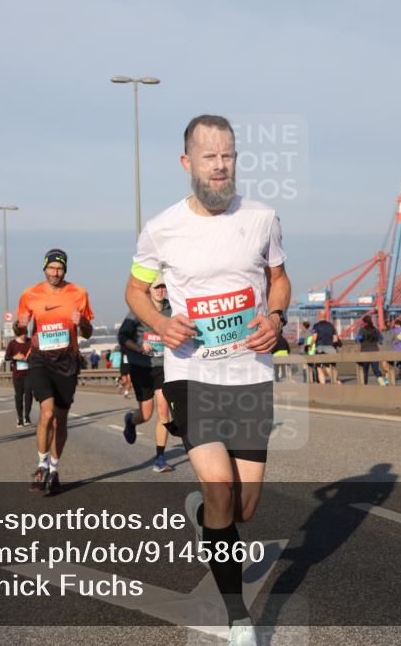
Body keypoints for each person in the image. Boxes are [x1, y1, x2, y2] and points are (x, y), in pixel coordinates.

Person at [125, 114, 290, 646]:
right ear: (187, 163)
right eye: (209, 157)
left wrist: (276, 318)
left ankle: (205, 516)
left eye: (228, 156)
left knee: (243, 508)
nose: (220, 167)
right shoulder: (161, 229)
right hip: (192, 374)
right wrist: (161, 323)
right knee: (221, 490)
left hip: (249, 375)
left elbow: (278, 280)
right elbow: (134, 290)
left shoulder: (263, 218)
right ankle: (238, 617)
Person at [16, 249, 94, 495]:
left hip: (67, 362)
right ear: (44, 268)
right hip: (40, 360)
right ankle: (41, 466)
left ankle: (54, 468)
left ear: (65, 270)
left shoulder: (79, 294)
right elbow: (18, 325)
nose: (55, 272)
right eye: (51, 268)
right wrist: (19, 323)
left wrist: (80, 321)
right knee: (47, 412)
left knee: (61, 420)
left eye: (59, 268)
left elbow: (88, 331)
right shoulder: (30, 294)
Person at [119, 277, 176, 473]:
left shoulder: (172, 308)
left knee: (163, 410)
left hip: (163, 367)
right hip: (141, 367)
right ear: (149, 290)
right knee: (145, 414)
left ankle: (160, 458)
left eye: (163, 287)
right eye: (157, 287)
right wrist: (138, 347)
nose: (161, 290)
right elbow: (122, 337)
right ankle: (130, 421)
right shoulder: (139, 310)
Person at [6, 322, 34, 427]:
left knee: (29, 393)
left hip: (29, 373)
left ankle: (27, 416)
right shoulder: (12, 344)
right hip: (17, 374)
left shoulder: (31, 342)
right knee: (19, 396)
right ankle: (20, 417)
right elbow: (6, 357)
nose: (24, 336)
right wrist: (15, 357)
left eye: (25, 333)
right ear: (17, 333)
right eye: (22, 334)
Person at [355, 315, 388, 386]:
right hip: (374, 351)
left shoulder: (362, 330)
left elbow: (358, 339)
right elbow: (380, 339)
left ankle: (365, 385)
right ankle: (383, 383)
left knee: (365, 371)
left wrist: (358, 338)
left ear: (364, 322)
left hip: (365, 352)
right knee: (376, 370)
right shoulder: (375, 329)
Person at [311, 310, 339, 384]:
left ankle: (323, 385)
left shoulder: (316, 326)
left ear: (318, 316)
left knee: (319, 368)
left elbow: (314, 338)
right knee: (329, 367)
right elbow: (335, 339)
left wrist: (310, 346)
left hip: (320, 348)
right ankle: (335, 382)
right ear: (326, 316)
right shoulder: (331, 325)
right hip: (330, 348)